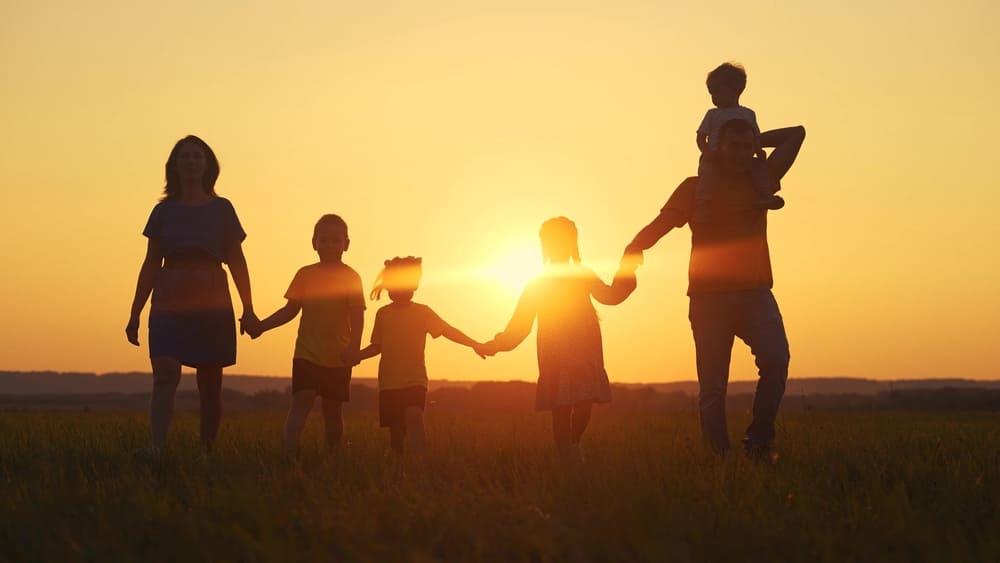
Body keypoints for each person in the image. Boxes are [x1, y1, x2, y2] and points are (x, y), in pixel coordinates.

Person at [627, 118, 805, 459]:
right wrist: (635, 246)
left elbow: (796, 135)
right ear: (717, 149)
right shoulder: (695, 188)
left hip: (756, 294)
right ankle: (717, 457)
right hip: (709, 301)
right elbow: (663, 223)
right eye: (733, 146)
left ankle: (759, 442)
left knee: (777, 360)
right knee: (712, 387)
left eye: (746, 147)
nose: (741, 154)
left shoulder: (761, 179)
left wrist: (756, 139)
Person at [126, 135, 257, 457]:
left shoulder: (222, 209)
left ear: (208, 165)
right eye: (184, 156)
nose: (191, 161)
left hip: (211, 291)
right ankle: (155, 448)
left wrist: (249, 307)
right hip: (169, 292)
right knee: (165, 375)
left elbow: (237, 259)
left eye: (197, 156)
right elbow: (150, 262)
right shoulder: (163, 211)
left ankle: (206, 452)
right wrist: (135, 312)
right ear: (174, 165)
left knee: (210, 384)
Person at [479, 217, 639, 463]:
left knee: (584, 403)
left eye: (563, 242)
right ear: (544, 247)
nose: (557, 247)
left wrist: (628, 269)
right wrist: (497, 344)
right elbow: (520, 326)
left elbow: (610, 296)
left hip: (585, 349)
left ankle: (574, 444)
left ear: (572, 245)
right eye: (551, 243)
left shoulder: (583, 275)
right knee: (560, 409)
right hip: (553, 351)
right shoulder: (536, 283)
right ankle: (567, 457)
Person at [245, 214, 365, 457]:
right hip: (306, 353)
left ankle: (333, 455)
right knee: (302, 401)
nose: (330, 245)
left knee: (332, 410)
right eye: (324, 240)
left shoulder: (351, 277)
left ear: (346, 244)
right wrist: (261, 326)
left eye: (336, 240)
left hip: (338, 356)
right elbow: (290, 310)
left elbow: (357, 315)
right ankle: (289, 451)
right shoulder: (305, 274)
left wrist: (355, 346)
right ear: (314, 242)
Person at [348, 256, 484, 455]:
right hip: (389, 383)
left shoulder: (423, 313)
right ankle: (400, 467)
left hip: (415, 380)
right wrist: (356, 356)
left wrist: (474, 344)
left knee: (414, 416)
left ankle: (421, 463)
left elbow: (447, 331)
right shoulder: (383, 314)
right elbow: (377, 346)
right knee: (395, 430)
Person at [695, 62, 784, 220]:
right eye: (711, 94)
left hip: (744, 156)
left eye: (717, 92)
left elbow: (755, 135)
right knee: (708, 175)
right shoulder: (712, 114)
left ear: (735, 90)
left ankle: (765, 195)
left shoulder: (748, 114)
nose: (714, 98)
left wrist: (758, 151)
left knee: (759, 169)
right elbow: (701, 137)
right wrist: (707, 152)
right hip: (716, 156)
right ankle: (703, 204)